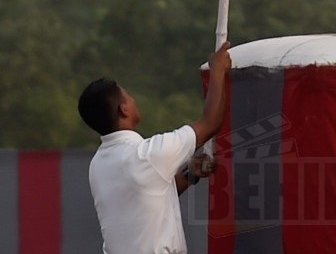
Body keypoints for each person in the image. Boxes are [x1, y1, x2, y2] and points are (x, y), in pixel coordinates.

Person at [78, 41, 231, 254]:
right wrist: (218, 72)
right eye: (128, 96)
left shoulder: (98, 165)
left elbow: (150, 198)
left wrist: (189, 175)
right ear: (124, 110)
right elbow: (210, 123)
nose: (133, 100)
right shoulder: (146, 155)